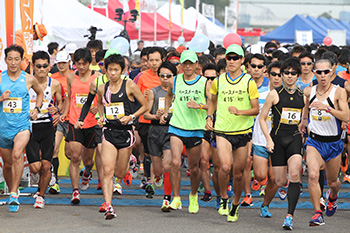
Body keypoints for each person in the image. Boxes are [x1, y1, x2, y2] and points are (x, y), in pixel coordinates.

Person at [206, 44, 259, 222]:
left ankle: (235, 204)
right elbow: (212, 100)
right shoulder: (219, 81)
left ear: (242, 60)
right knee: (224, 167)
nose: (232, 61)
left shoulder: (248, 82)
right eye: (229, 58)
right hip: (222, 130)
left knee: (238, 173)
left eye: (236, 58)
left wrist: (240, 112)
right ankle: (223, 198)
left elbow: (256, 109)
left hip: (243, 132)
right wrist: (209, 117)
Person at [96, 54, 148, 219]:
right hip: (109, 132)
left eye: (116, 70)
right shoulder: (102, 88)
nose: (112, 73)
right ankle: (109, 206)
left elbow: (145, 106)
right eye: (110, 70)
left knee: (119, 172)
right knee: (107, 171)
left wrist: (131, 117)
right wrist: (101, 117)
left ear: (123, 70)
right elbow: (99, 103)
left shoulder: (130, 86)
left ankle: (130, 163)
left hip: (125, 133)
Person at [301, 59, 349, 226]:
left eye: (326, 72)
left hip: (334, 143)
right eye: (319, 72)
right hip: (314, 141)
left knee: (333, 182)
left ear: (332, 72)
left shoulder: (339, 92)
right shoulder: (309, 91)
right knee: (313, 175)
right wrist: (304, 120)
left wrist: (327, 108)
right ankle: (317, 213)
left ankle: (333, 197)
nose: (322, 75)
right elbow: (307, 106)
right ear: (314, 73)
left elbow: (346, 116)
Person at [161, 50, 208, 214]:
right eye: (185, 63)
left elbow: (214, 105)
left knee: (194, 168)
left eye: (191, 63)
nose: (187, 66)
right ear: (180, 65)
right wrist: (167, 112)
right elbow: (168, 96)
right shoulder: (175, 80)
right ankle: (176, 197)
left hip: (195, 129)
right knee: (175, 162)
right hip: (177, 126)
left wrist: (200, 106)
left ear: (196, 65)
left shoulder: (204, 82)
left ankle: (193, 195)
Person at [259, 57, 304, 230]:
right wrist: (268, 139)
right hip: (277, 140)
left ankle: (289, 216)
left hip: (294, 139)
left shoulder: (303, 96)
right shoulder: (274, 94)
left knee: (295, 175)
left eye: (293, 73)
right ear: (282, 75)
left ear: (298, 75)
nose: (290, 76)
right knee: (278, 180)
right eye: (286, 73)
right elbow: (263, 119)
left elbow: (304, 117)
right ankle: (282, 188)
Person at [0, 45, 44, 212]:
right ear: (5, 60)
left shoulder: (28, 79)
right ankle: (14, 188)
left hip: (22, 126)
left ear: (22, 60)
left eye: (16, 59)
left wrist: (37, 109)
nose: (13, 62)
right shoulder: (0, 78)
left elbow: (40, 93)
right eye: (10, 59)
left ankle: (13, 194)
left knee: (18, 154)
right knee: (8, 164)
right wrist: (1, 98)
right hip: (3, 127)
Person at [60, 48, 100, 205]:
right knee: (75, 156)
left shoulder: (97, 77)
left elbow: (103, 98)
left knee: (88, 160)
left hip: (92, 123)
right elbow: (70, 98)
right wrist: (65, 113)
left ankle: (87, 172)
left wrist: (98, 108)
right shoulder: (71, 77)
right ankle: (75, 191)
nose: (81, 67)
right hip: (75, 122)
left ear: (90, 63)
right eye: (78, 64)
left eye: (84, 64)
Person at [26, 51, 62, 208]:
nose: (41, 69)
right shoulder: (26, 82)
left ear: (50, 66)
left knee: (46, 165)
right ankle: (36, 175)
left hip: (47, 126)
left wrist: (57, 109)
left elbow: (61, 102)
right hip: (30, 127)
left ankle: (41, 195)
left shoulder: (54, 84)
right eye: (38, 66)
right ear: (33, 66)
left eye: (44, 66)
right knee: (35, 167)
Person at [144, 62, 177, 211]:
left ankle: (167, 198)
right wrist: (155, 116)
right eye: (162, 76)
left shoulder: (178, 92)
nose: (165, 79)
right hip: (155, 131)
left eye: (168, 76)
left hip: (171, 130)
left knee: (167, 165)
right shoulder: (153, 92)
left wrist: (171, 115)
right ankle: (157, 176)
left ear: (174, 76)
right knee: (158, 169)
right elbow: (146, 114)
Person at [252, 61, 282, 218]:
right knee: (260, 175)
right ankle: (256, 180)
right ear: (267, 75)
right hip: (260, 140)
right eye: (273, 75)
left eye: (279, 75)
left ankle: (265, 205)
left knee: (275, 178)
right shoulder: (259, 94)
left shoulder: (288, 97)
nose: (276, 78)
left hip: (279, 143)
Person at [135, 47, 165, 196]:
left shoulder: (167, 76)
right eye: (150, 60)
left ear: (162, 61)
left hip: (164, 120)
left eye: (156, 60)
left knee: (159, 153)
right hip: (146, 120)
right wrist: (143, 94)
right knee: (149, 154)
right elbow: (135, 97)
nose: (153, 63)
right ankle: (149, 178)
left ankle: (153, 180)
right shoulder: (142, 77)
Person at [241, 53, 269, 207]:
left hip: (264, 130)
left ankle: (263, 180)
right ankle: (247, 195)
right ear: (248, 67)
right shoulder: (243, 84)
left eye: (260, 66)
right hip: (246, 127)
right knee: (246, 161)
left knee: (261, 172)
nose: (256, 69)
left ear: (264, 69)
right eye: (253, 66)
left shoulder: (271, 84)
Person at [50, 50, 73, 194]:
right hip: (58, 119)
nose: (61, 65)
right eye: (59, 63)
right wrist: (56, 111)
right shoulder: (52, 78)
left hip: (71, 119)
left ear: (69, 62)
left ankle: (84, 169)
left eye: (64, 63)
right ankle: (54, 181)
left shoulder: (74, 77)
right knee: (54, 149)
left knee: (70, 154)